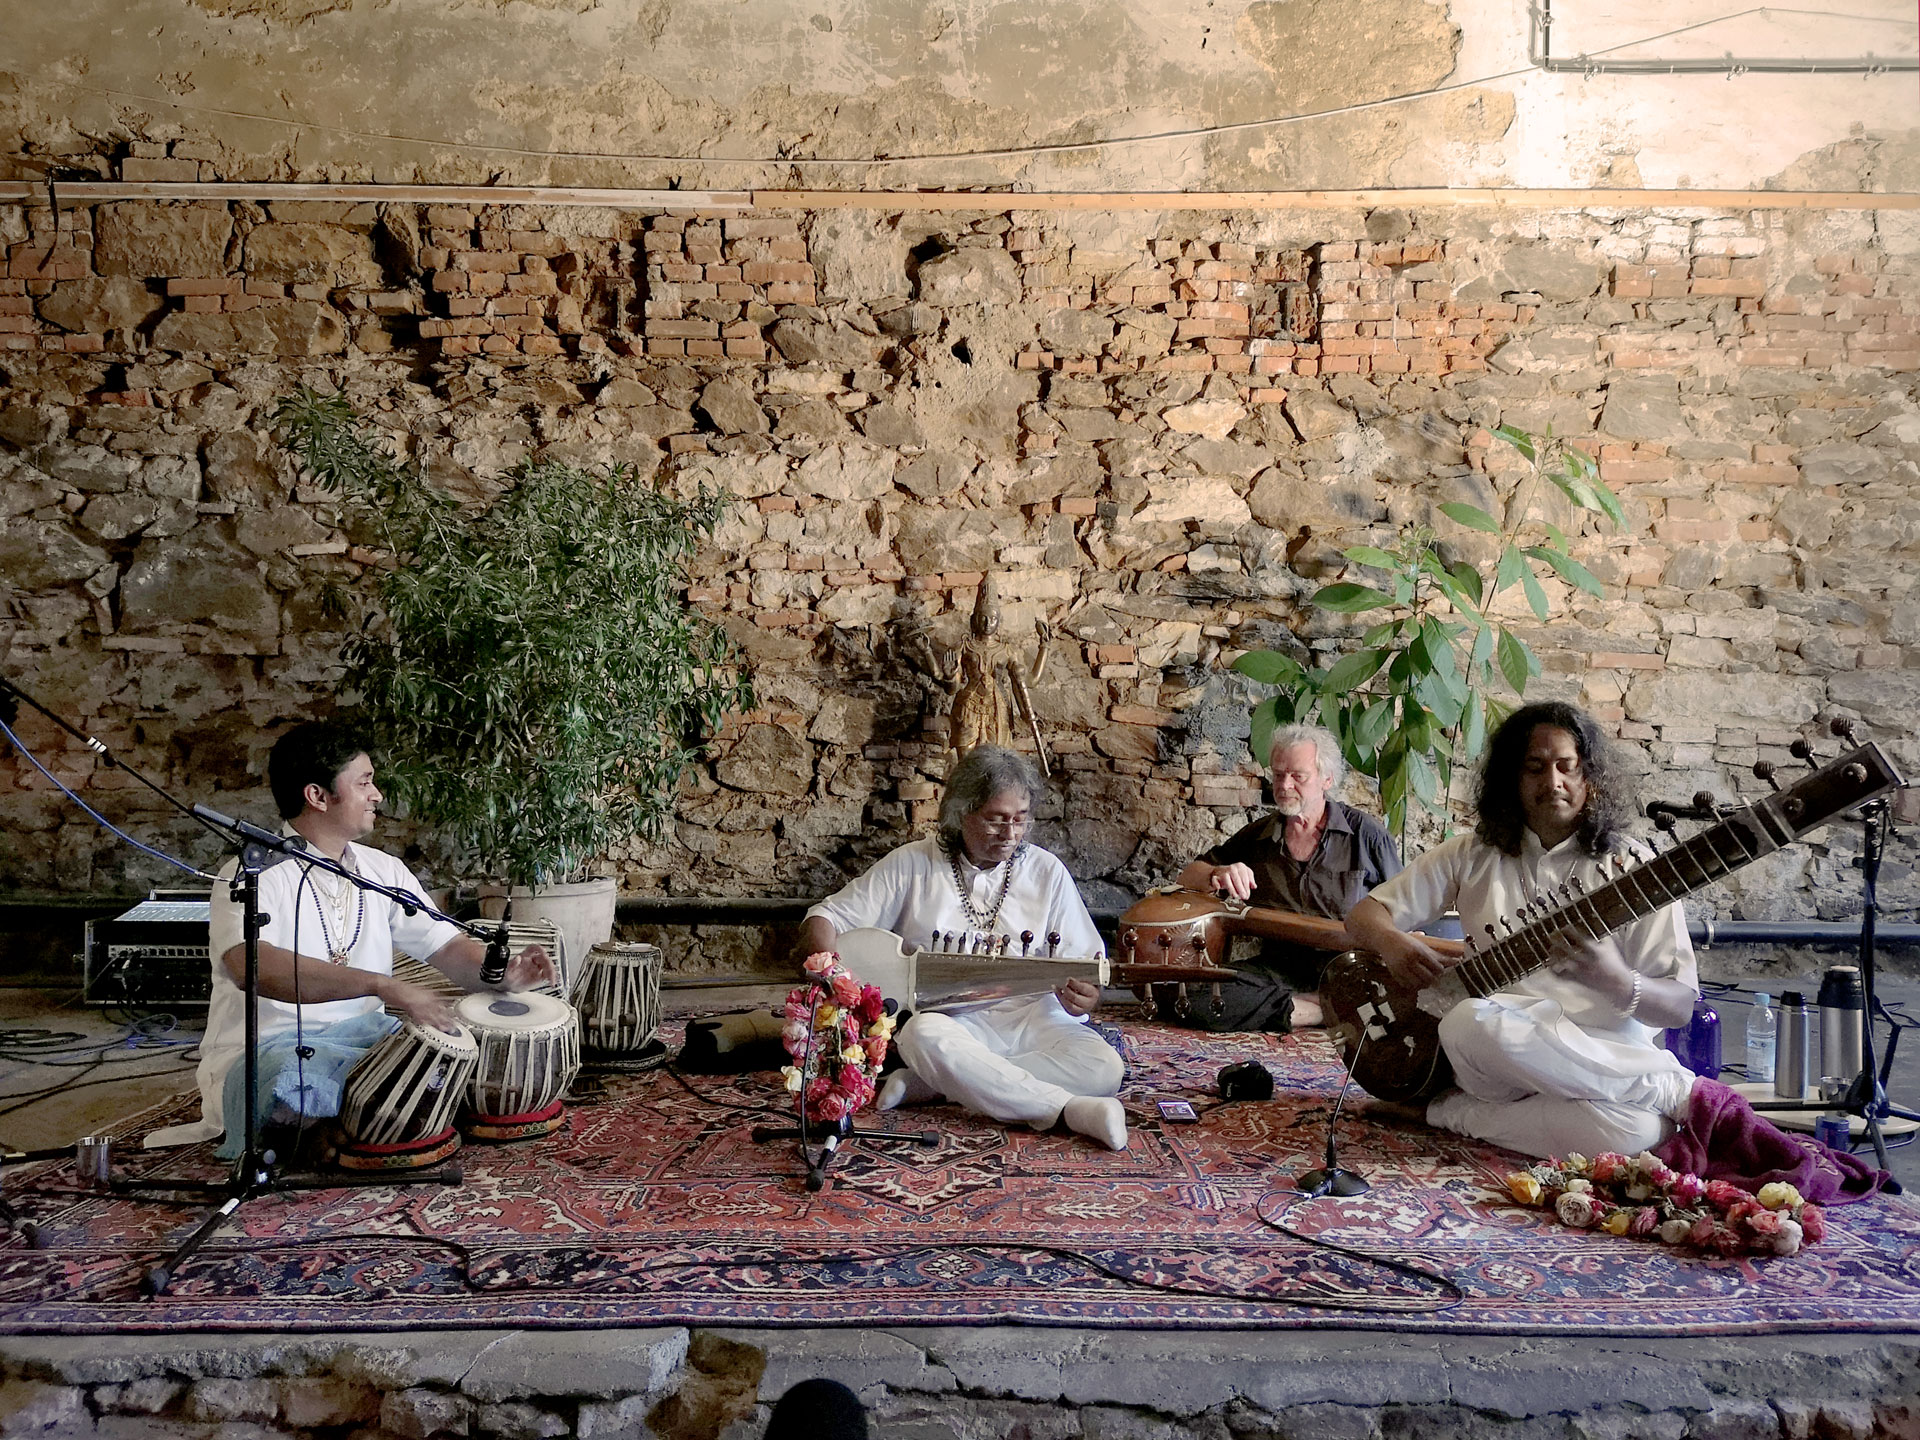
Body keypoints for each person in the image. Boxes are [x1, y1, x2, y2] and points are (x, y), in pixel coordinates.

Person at [156, 720, 555, 1158]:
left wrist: (502, 974)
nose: (377, 795)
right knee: (297, 1078)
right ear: (317, 796)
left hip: (367, 1043)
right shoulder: (251, 875)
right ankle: (331, 1127)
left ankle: (342, 1127)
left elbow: (444, 945)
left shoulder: (383, 870)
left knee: (452, 1052)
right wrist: (380, 985)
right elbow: (252, 967)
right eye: (364, 782)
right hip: (268, 1054)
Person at [1345, 701, 1698, 1158]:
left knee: (1635, 1134)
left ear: (1590, 776)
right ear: (1512, 779)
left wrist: (1615, 979)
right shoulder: (1473, 854)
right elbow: (1362, 917)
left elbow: (1680, 1006)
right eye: (1535, 768)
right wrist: (1392, 943)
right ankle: (1665, 1090)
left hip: (1603, 1056)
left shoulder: (1633, 869)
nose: (1553, 782)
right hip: (1499, 1060)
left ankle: (1448, 1113)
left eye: (1567, 766)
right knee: (1466, 1023)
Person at [799, 745, 1128, 1149]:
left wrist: (1085, 998)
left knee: (1105, 1068)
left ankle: (940, 1083)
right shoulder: (913, 864)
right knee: (920, 1035)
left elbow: (1085, 966)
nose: (1010, 834)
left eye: (1020, 820)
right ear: (960, 812)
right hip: (953, 1022)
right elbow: (825, 917)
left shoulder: (1046, 871)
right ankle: (1068, 1110)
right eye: (995, 820)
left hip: (1034, 1018)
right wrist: (831, 975)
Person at [1175, 723, 1400, 1030]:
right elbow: (1188, 875)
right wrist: (1218, 872)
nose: (1284, 785)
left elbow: (1406, 911)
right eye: (1279, 774)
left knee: (1395, 999)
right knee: (1195, 998)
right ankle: (1322, 1010)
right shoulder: (1260, 835)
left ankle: (1304, 1005)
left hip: (1350, 970)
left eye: (1298, 776)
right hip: (1279, 970)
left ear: (1327, 779)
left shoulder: (1366, 835)